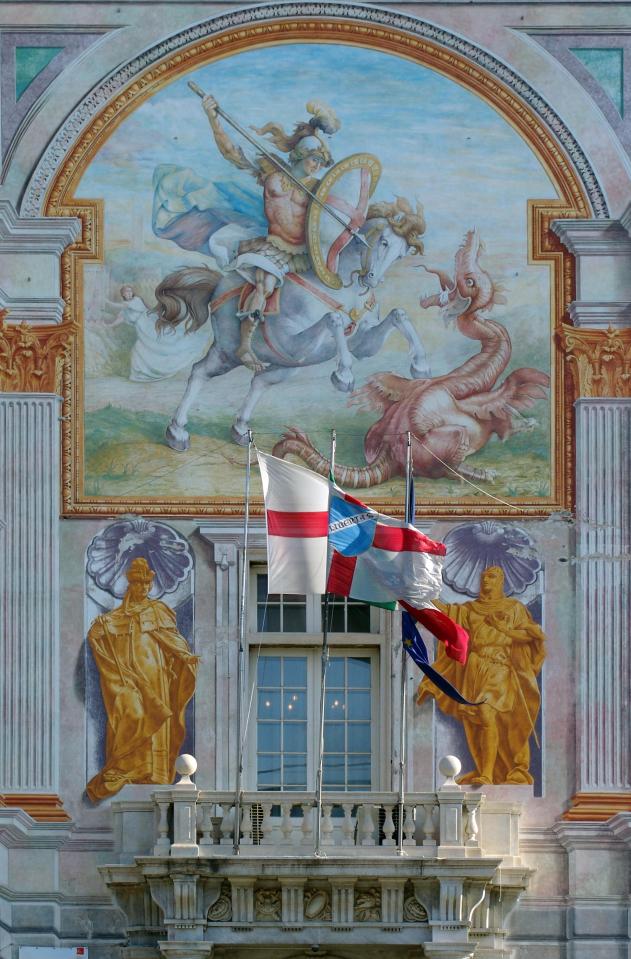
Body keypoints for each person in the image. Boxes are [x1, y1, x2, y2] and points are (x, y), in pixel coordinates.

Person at [201, 95, 340, 370]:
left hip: (304, 251)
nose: (318, 165)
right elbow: (232, 154)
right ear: (301, 155)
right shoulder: (271, 173)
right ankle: (244, 346)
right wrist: (213, 118)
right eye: (315, 159)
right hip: (273, 245)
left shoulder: (318, 189)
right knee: (264, 284)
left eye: (321, 162)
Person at [417, 565, 546, 785]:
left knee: (487, 715)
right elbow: (445, 614)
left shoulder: (514, 608)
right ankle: (487, 770)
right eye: (484, 576)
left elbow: (531, 635)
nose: (487, 580)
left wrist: (503, 630)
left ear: (501, 582)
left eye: (492, 577)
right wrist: (421, 593)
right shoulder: (470, 610)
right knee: (475, 721)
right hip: (475, 668)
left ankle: (492, 772)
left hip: (500, 667)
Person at [86, 557, 198, 802]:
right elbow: (100, 635)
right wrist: (99, 629)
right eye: (139, 584)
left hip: (155, 677)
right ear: (131, 584)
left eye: (147, 584)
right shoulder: (116, 616)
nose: (144, 588)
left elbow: (172, 639)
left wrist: (184, 656)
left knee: (156, 722)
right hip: (128, 677)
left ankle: (152, 772)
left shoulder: (158, 611)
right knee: (130, 713)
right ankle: (125, 768)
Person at [104, 284, 212, 381]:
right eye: (126, 292)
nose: (128, 293)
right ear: (122, 294)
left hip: (148, 325)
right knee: (140, 350)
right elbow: (119, 319)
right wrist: (108, 325)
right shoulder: (125, 309)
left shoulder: (136, 300)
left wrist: (106, 301)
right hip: (142, 331)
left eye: (130, 291)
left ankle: (168, 365)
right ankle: (141, 374)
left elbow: (119, 306)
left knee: (164, 343)